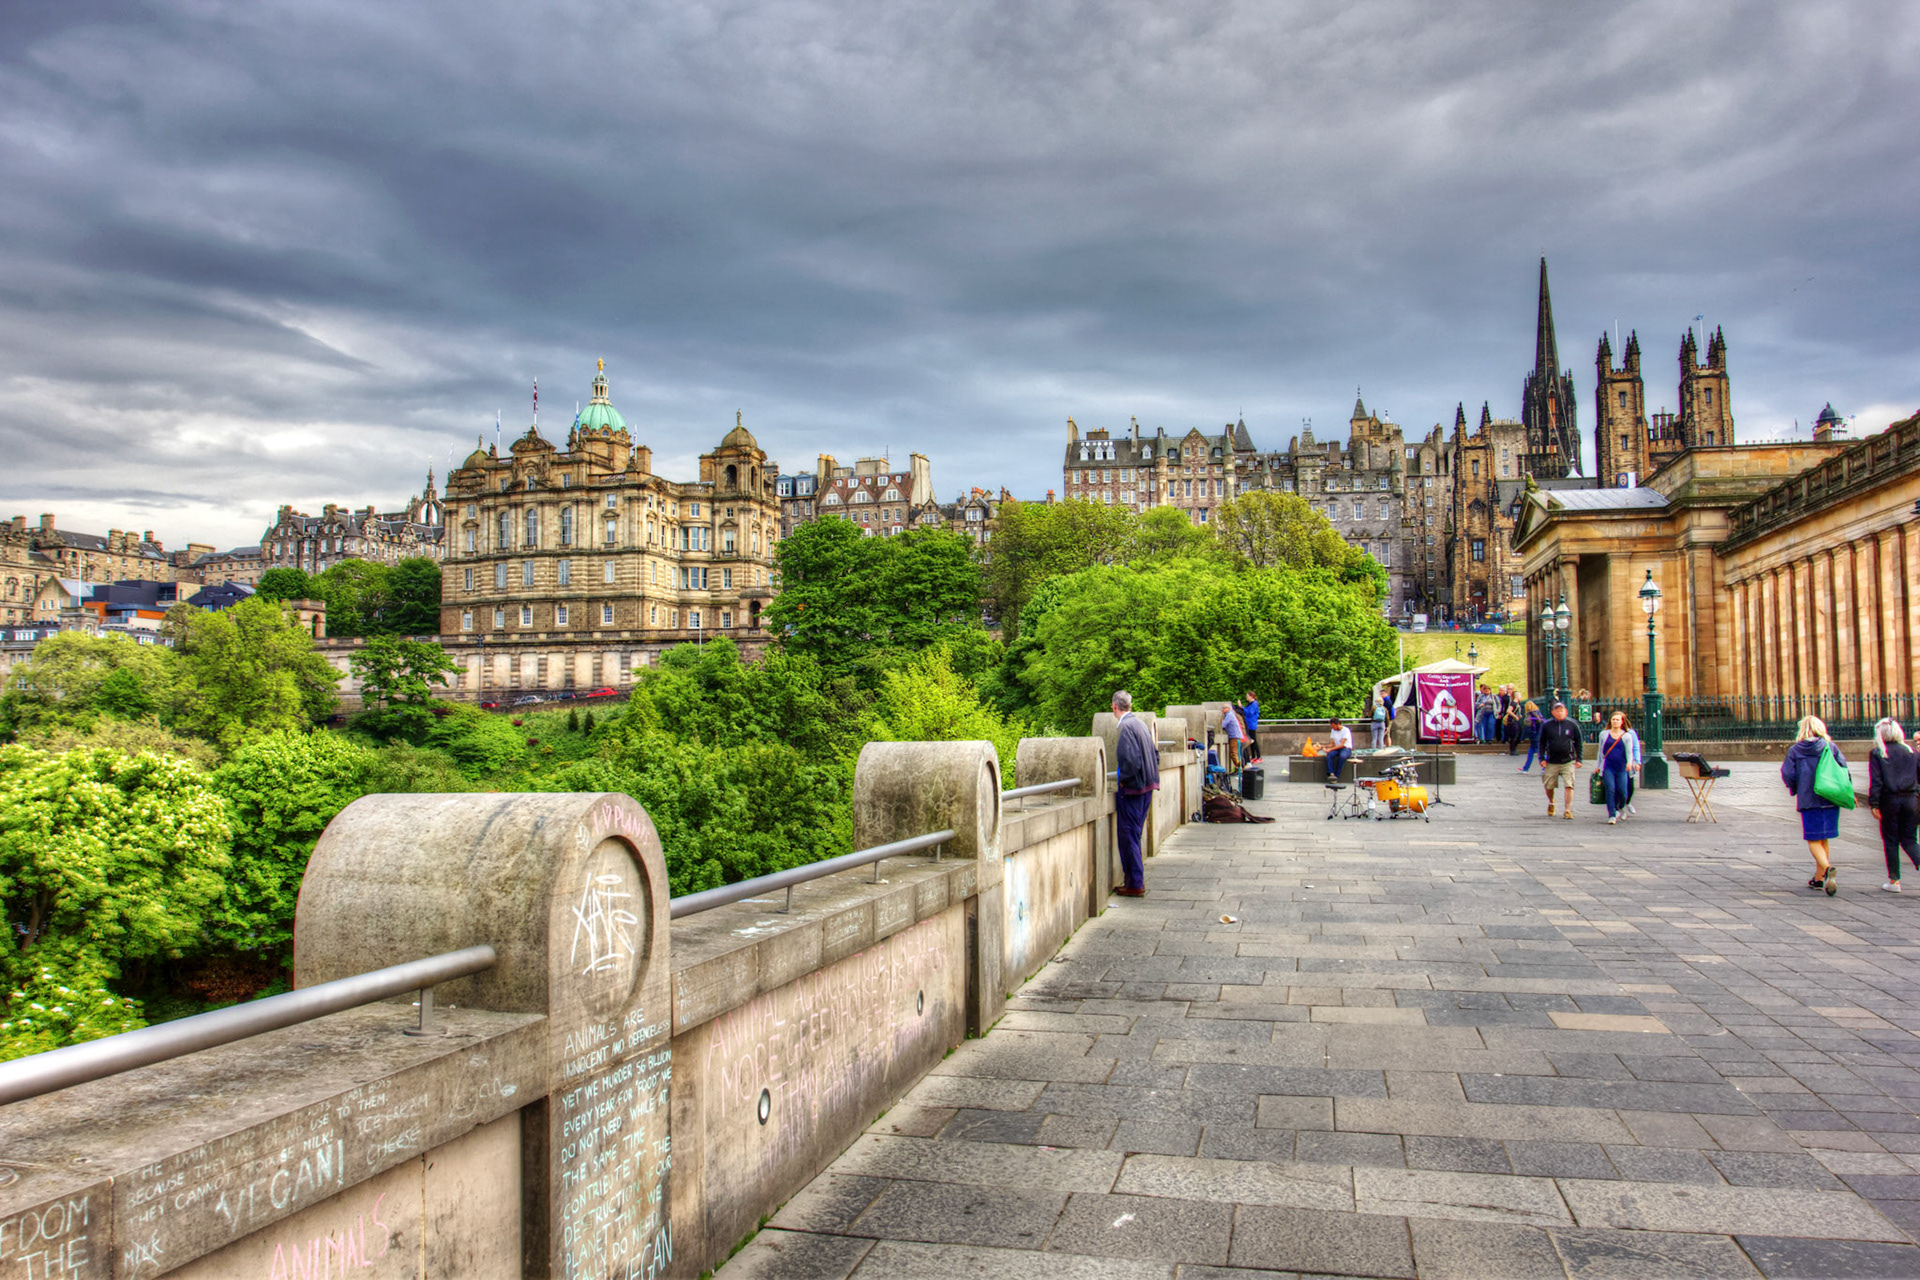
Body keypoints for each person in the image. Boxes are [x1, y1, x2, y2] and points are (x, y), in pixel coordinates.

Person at [1782, 715, 1845, 895]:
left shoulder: (1795, 750)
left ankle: (1826, 868)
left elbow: (1788, 774)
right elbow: (1843, 768)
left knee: (1813, 839)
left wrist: (1796, 788)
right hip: (1831, 798)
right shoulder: (1830, 747)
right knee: (1823, 837)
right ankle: (1818, 880)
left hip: (1809, 798)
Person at [1111, 690, 1158, 897]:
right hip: (1147, 786)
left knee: (1128, 835)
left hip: (1133, 789)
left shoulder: (1126, 728)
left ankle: (1135, 883)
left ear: (1114, 706)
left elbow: (1129, 761)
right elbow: (1155, 755)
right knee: (1135, 834)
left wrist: (1123, 781)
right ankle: (1134, 881)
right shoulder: (1140, 724)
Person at [1867, 718, 1918, 893]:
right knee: (1910, 839)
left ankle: (1894, 881)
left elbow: (1877, 781)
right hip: (1911, 800)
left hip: (1890, 801)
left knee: (1890, 840)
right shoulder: (1912, 752)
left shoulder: (1878, 753)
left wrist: (1874, 803)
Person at [1538, 701, 1583, 818]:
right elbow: (1542, 743)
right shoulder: (1547, 726)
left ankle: (1567, 809)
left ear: (1566, 712)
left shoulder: (1572, 725)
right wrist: (1541, 758)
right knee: (1549, 786)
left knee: (1569, 785)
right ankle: (1551, 801)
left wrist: (1579, 759)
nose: (1559, 713)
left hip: (1568, 760)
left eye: (1561, 710)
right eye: (1557, 711)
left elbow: (1579, 743)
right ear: (1553, 712)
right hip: (1552, 761)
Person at [1598, 711, 1633, 825]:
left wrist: (1629, 763)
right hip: (1608, 766)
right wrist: (1598, 766)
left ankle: (1621, 806)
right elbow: (1600, 752)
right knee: (1610, 789)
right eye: (1613, 719)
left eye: (1617, 719)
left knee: (1622, 791)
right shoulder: (1604, 734)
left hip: (1621, 767)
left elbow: (1629, 751)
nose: (1615, 721)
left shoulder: (1626, 736)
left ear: (1622, 722)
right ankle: (1612, 814)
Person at [1325, 717, 1353, 782]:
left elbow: (1342, 744)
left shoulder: (1346, 730)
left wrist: (1330, 749)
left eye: (1333, 726)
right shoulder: (1333, 731)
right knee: (1330, 755)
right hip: (1337, 748)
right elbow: (1332, 744)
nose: (1333, 728)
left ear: (1338, 724)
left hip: (1345, 748)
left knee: (1342, 756)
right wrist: (1324, 747)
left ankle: (1337, 775)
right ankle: (1331, 773)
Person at [1220, 702, 1246, 772]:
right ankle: (1238, 768)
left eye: (1224, 708)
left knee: (1233, 754)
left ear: (1228, 708)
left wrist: (1222, 721)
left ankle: (1239, 768)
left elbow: (1223, 725)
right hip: (1236, 736)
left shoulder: (1229, 715)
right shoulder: (1230, 714)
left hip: (1235, 736)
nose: (1222, 710)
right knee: (1235, 754)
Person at [1519, 701, 1543, 771]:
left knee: (1534, 752)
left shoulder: (1529, 716)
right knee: (1539, 753)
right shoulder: (1539, 714)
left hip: (1534, 736)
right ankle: (1526, 768)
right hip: (1540, 736)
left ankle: (1526, 768)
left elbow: (1527, 729)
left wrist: (1522, 738)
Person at [1240, 691, 1262, 763]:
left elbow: (1249, 713)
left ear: (1251, 696)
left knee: (1253, 740)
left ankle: (1258, 756)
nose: (1246, 697)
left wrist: (1242, 707)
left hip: (1251, 724)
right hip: (1249, 724)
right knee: (1251, 741)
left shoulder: (1254, 704)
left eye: (1247, 696)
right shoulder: (1250, 704)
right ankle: (1253, 756)